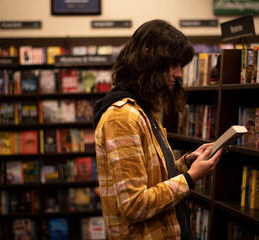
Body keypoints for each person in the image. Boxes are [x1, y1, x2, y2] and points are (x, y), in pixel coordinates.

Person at [92, 19, 223, 240]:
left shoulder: (144, 110)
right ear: (149, 61)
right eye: (173, 65)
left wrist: (187, 164)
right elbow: (134, 205)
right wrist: (190, 178)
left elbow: (153, 179)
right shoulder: (122, 117)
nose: (179, 74)